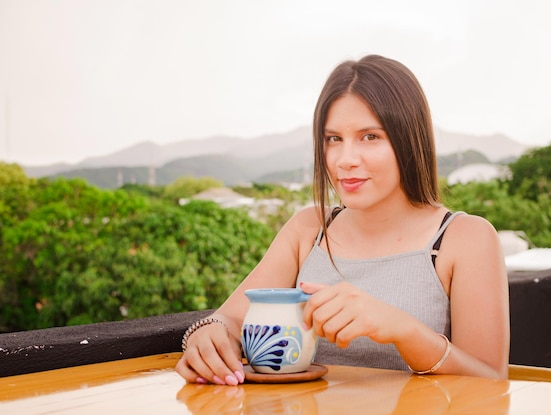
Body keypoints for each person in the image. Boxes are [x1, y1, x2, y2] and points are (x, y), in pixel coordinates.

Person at [175, 55, 510, 386]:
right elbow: (230, 318)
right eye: (333, 139)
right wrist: (208, 333)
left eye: (370, 137)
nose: (345, 160)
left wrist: (403, 330)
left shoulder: (464, 238)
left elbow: (491, 378)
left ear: (409, 139)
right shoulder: (308, 229)